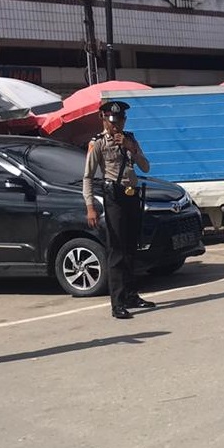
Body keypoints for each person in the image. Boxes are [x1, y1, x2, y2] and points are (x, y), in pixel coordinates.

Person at [83, 100, 154, 320]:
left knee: (132, 247)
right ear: (104, 119)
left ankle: (132, 295)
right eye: (113, 121)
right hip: (113, 196)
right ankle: (117, 302)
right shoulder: (98, 143)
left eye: (121, 121)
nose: (117, 125)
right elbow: (87, 176)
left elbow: (145, 166)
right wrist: (90, 207)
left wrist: (131, 148)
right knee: (117, 250)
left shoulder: (130, 139)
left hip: (132, 195)